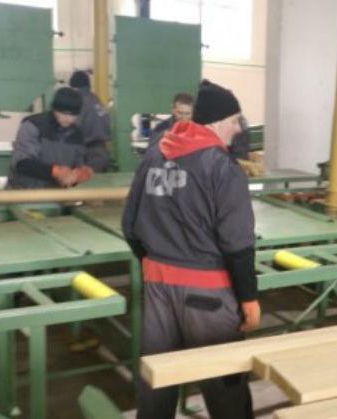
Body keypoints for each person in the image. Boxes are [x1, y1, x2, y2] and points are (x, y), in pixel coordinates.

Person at [122, 80, 260, 419]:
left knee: (158, 379)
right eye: (235, 120)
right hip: (207, 294)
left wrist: (156, 264)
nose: (238, 128)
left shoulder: (155, 154)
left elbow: (130, 224)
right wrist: (248, 298)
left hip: (158, 287)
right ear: (217, 122)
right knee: (225, 384)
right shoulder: (222, 167)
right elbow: (238, 242)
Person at [7, 87, 97, 189]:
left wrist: (80, 174)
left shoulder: (77, 135)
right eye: (63, 113)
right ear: (54, 109)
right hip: (23, 191)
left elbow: (78, 165)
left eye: (73, 115)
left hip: (55, 194)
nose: (68, 118)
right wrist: (55, 171)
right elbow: (21, 164)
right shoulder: (32, 126)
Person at [68, 70, 111, 171]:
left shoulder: (79, 101)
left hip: (88, 154)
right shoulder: (96, 100)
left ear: (73, 87)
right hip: (101, 151)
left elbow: (73, 128)